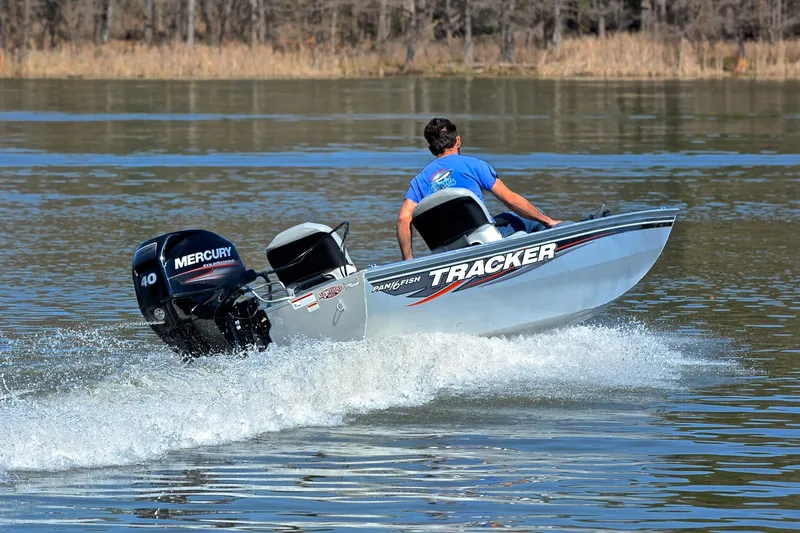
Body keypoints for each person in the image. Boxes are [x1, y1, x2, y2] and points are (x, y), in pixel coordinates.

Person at [397, 117, 561, 261]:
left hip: (446, 250)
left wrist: (408, 260)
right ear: (458, 141)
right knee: (535, 218)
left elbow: (403, 219)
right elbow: (511, 200)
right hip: (484, 242)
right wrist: (548, 221)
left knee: (505, 217)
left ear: (431, 149)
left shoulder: (419, 181)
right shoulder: (474, 165)